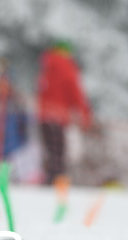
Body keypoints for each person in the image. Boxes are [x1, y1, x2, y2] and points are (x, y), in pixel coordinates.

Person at [37, 41, 92, 185]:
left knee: (50, 151)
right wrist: (85, 115)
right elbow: (76, 93)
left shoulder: (47, 66)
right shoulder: (67, 67)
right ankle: (57, 182)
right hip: (58, 116)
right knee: (59, 152)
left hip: (44, 116)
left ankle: (50, 178)